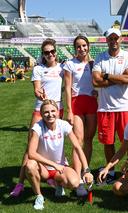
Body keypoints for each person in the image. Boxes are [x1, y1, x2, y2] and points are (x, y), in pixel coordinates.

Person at [10, 38, 64, 197]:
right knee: (30, 148)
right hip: (40, 111)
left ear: (56, 52)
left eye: (52, 51)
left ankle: (52, 177)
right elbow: (36, 89)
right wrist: (41, 95)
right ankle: (20, 184)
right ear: (43, 54)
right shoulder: (38, 69)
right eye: (46, 52)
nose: (50, 54)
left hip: (57, 112)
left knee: (55, 145)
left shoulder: (62, 68)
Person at [25, 99, 93, 210]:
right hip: (43, 169)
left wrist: (86, 170)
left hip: (60, 167)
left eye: (53, 111)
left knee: (74, 183)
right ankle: (39, 196)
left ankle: (58, 183)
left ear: (57, 112)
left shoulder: (63, 125)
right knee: (30, 165)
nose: (50, 114)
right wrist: (54, 164)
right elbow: (31, 153)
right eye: (46, 112)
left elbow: (77, 147)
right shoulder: (37, 127)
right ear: (41, 114)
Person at [92, 28, 128, 184]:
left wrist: (107, 76)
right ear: (107, 40)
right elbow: (95, 81)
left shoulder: (127, 56)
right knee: (108, 142)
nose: (113, 41)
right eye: (110, 38)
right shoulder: (100, 57)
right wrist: (119, 79)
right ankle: (110, 171)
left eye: (116, 38)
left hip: (124, 107)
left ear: (121, 39)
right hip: (105, 107)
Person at [64, 35, 98, 196]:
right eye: (78, 46)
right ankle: (77, 180)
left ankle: (86, 172)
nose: (82, 48)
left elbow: (98, 84)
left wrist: (96, 91)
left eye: (84, 45)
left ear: (88, 46)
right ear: (75, 48)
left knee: (89, 139)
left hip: (92, 103)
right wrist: (69, 110)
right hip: (77, 104)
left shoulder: (93, 64)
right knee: (78, 140)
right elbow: (68, 88)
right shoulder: (70, 64)